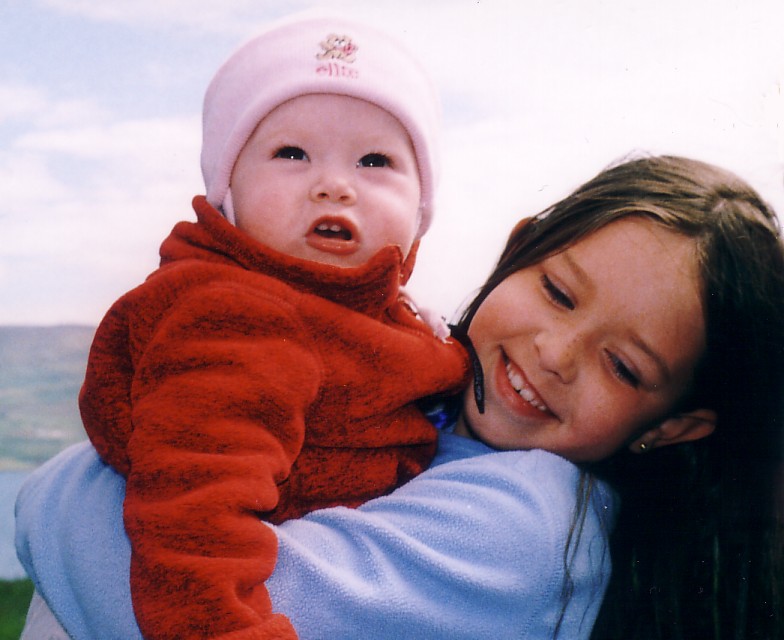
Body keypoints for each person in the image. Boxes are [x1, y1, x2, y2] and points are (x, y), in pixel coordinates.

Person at [16, 154, 784, 639]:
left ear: (672, 427)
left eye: (623, 366)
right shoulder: (425, 405)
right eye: (555, 291)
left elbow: (150, 593)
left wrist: (53, 490)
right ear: (517, 250)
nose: (555, 353)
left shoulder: (531, 525)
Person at [69, 14, 469, 640]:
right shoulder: (235, 318)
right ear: (228, 190)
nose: (333, 185)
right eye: (291, 153)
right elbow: (193, 524)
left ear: (420, 213)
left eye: (375, 160)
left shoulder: (375, 315)